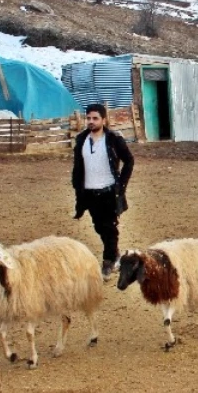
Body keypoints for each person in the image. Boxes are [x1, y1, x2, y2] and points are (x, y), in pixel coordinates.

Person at [72, 103, 135, 279]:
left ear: (103, 120)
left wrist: (121, 186)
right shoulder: (81, 140)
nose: (91, 122)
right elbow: (78, 167)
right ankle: (115, 254)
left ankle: (108, 263)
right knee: (99, 227)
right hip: (90, 193)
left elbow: (129, 161)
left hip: (109, 191)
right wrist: (77, 187)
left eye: (95, 118)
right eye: (89, 118)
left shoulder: (114, 139)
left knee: (110, 227)